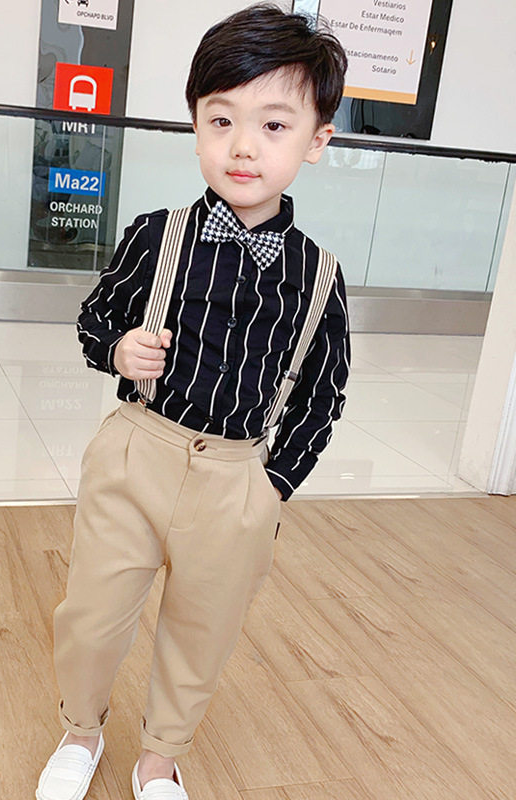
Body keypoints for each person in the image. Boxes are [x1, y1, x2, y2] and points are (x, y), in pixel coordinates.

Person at [36, 5, 350, 799]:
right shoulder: (156, 235)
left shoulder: (318, 275)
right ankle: (81, 730)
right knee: (92, 612)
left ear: (316, 141)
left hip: (236, 479)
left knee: (202, 631)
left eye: (274, 125)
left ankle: (160, 756)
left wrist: (271, 486)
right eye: (221, 120)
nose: (243, 146)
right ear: (196, 127)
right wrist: (118, 349)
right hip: (138, 450)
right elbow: (96, 316)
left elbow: (323, 392)